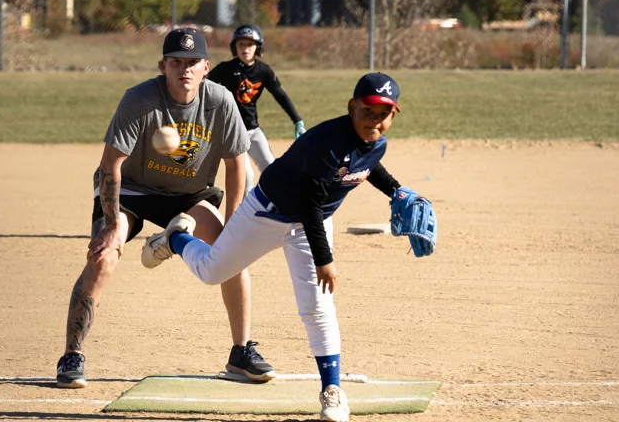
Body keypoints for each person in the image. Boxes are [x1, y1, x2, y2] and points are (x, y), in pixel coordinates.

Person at [141, 72, 426, 422]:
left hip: (311, 223)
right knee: (212, 271)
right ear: (353, 107)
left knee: (318, 307)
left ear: (394, 115)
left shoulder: (375, 140)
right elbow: (311, 202)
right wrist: (325, 260)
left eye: (384, 114)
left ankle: (332, 391)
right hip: (266, 213)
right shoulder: (328, 142)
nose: (376, 120)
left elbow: (367, 164)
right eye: (369, 111)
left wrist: (396, 189)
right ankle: (174, 238)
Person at [55, 26, 276, 388]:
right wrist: (112, 224)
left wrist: (234, 225)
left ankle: (241, 352)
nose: (183, 69)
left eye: (192, 62)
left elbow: (238, 165)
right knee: (105, 256)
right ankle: (71, 354)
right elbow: (110, 165)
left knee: (232, 254)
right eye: (176, 62)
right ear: (163, 66)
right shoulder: (139, 99)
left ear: (206, 67)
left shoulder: (220, 102)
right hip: (132, 192)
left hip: (191, 194)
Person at [207, 24, 305, 193]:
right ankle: (243, 215)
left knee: (272, 169)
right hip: (232, 131)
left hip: (253, 128)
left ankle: (277, 207)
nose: (245, 48)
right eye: (241, 44)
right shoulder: (225, 69)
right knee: (246, 176)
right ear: (234, 47)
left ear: (258, 47)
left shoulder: (263, 71)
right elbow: (205, 88)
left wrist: (297, 120)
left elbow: (280, 95)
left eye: (250, 44)